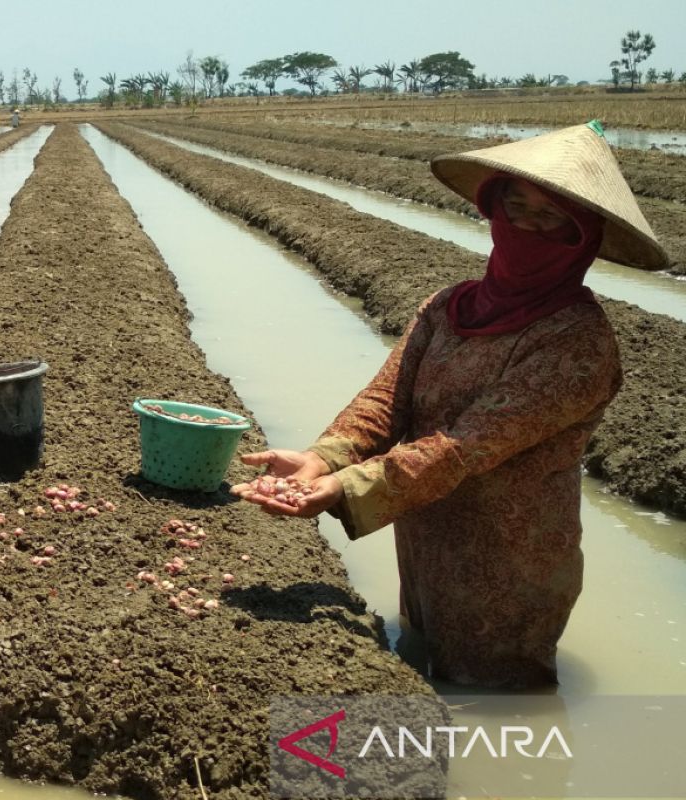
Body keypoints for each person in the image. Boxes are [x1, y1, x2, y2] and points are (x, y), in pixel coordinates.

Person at [232, 121, 668, 689]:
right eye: (516, 207)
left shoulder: (575, 342)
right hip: (423, 539)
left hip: (511, 568)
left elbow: (466, 447)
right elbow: (383, 404)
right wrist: (321, 461)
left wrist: (345, 489)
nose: (525, 227)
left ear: (581, 235)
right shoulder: (447, 307)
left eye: (549, 217)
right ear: (494, 209)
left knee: (499, 710)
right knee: (421, 678)